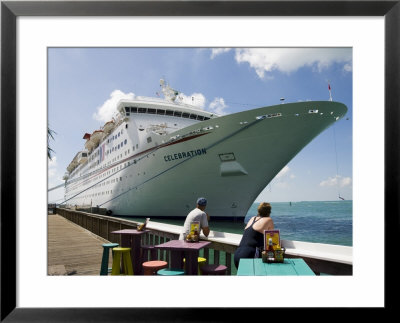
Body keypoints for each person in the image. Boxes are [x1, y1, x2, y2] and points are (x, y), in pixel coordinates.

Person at [233, 202, 274, 268]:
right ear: (269, 212)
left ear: (258, 211)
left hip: (237, 255)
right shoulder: (269, 220)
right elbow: (272, 239)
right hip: (249, 255)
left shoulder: (252, 218)